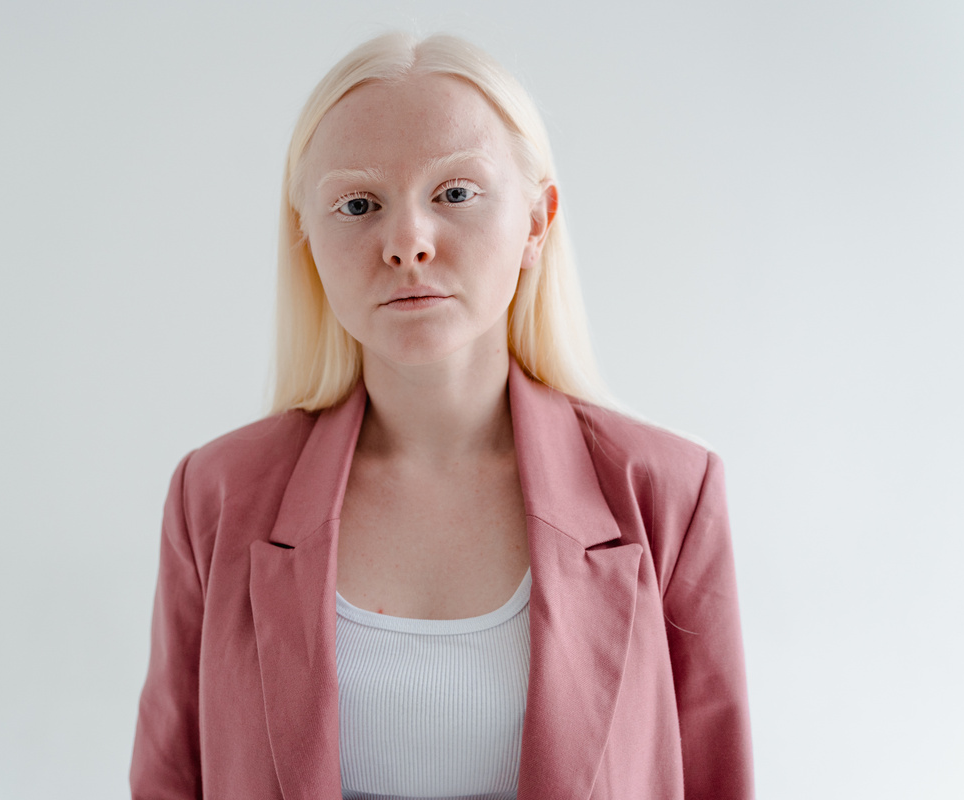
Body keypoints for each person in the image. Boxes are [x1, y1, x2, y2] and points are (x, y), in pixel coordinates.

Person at [131, 32, 753, 800]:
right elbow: (168, 782)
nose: (406, 243)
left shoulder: (671, 494)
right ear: (308, 239)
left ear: (536, 221)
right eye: (358, 204)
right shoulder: (215, 494)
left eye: (455, 193)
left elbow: (717, 780)